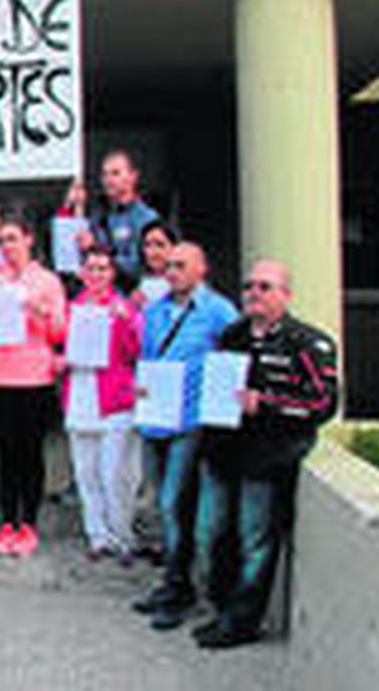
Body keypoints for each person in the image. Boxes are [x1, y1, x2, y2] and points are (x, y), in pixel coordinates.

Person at [193, 260, 338, 650]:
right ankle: (221, 607)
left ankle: (241, 623)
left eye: (265, 287)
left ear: (285, 295)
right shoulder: (232, 334)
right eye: (249, 286)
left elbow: (323, 404)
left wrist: (268, 404)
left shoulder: (308, 342)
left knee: (254, 540)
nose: (254, 293)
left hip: (268, 458)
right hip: (223, 452)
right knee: (211, 533)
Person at [132, 242, 240, 631]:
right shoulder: (157, 309)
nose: (171, 271)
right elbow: (146, 357)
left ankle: (183, 589)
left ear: (201, 270)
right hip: (154, 418)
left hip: (189, 422)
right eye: (169, 266)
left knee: (175, 503)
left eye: (180, 265)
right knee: (162, 507)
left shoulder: (218, 311)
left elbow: (234, 361)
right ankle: (171, 582)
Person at [0, 207, 68, 558]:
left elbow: (60, 331)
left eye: (13, 239)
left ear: (29, 239)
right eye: (1, 240)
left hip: (33, 375)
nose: (7, 246)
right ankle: (7, 522)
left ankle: (28, 522)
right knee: (5, 452)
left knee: (29, 452)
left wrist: (39, 311)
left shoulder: (46, 281)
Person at [61, 246, 144, 563]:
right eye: (90, 268)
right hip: (80, 394)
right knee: (86, 471)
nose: (96, 275)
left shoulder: (123, 309)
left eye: (102, 269)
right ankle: (97, 536)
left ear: (111, 273)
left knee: (116, 474)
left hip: (115, 398)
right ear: (81, 273)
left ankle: (123, 536)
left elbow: (137, 351)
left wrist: (128, 323)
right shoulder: (72, 308)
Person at [83, 149, 162, 283]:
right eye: (104, 174)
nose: (109, 180)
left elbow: (138, 265)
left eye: (115, 173)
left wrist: (97, 248)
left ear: (133, 176)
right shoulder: (98, 215)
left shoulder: (146, 218)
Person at [133, 221, 178, 308]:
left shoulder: (187, 285)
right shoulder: (139, 287)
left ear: (174, 247)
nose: (153, 252)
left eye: (160, 245)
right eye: (148, 245)